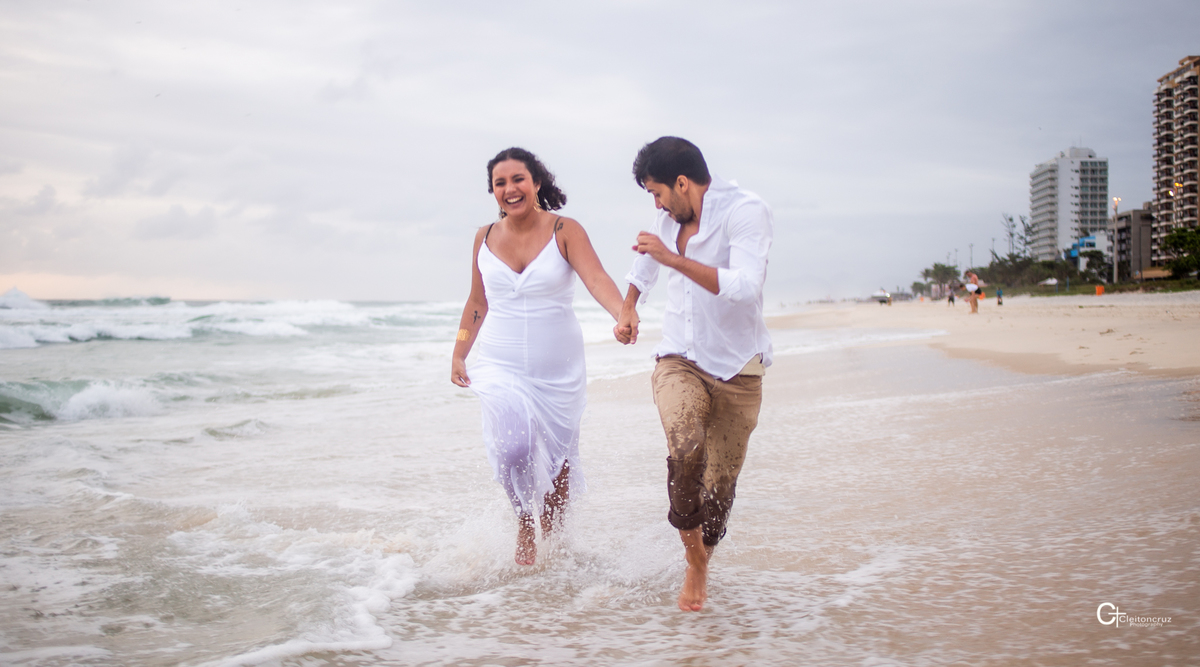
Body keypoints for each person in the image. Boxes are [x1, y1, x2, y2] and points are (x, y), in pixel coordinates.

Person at [613, 137, 773, 612]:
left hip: (739, 368)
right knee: (685, 450)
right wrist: (628, 309)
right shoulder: (671, 217)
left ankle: (706, 547)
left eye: (658, 192)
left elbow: (745, 287)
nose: (656, 203)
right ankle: (693, 559)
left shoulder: (746, 211)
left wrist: (674, 259)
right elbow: (645, 263)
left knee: (720, 489)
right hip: (679, 359)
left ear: (682, 183)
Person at [452, 147, 623, 566]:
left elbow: (596, 278)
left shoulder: (565, 229)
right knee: (513, 446)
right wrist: (459, 353)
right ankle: (524, 522)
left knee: (559, 456)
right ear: (492, 191)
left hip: (558, 367)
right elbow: (477, 301)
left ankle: (555, 533)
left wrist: (623, 314)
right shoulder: (484, 237)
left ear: (537, 182)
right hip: (499, 361)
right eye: (500, 183)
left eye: (518, 180)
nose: (510, 189)